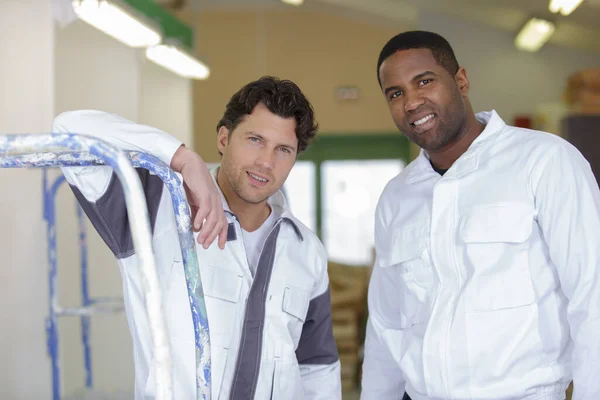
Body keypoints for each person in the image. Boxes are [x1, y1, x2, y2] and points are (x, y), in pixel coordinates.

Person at [53, 76, 341, 400]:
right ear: (223, 138)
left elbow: (317, 366)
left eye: (283, 150)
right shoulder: (154, 204)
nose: (266, 161)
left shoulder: (307, 250)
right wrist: (182, 158)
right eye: (255, 140)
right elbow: (67, 130)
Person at [361, 30, 600, 400]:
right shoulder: (397, 197)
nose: (411, 102)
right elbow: (385, 325)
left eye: (424, 81)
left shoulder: (545, 162)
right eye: (396, 93)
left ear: (461, 80)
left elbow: (592, 294)